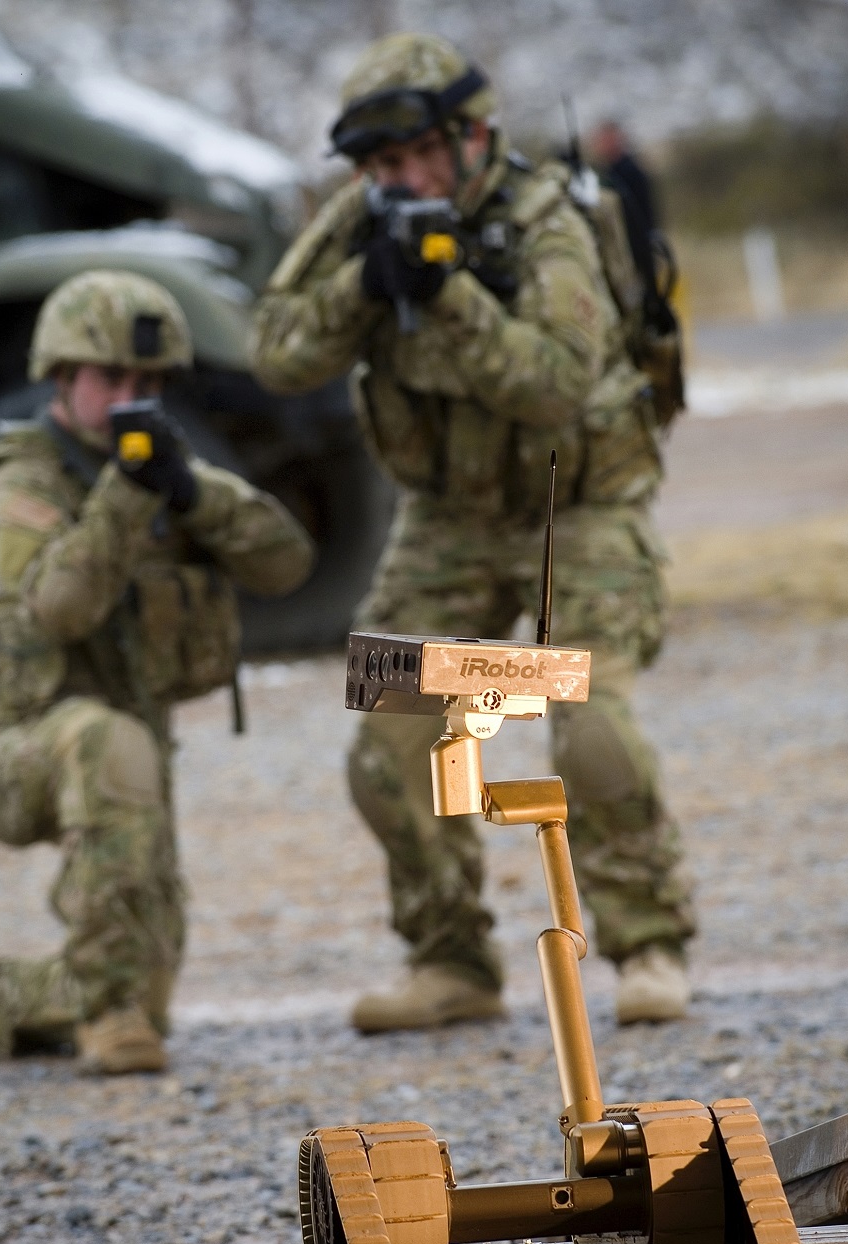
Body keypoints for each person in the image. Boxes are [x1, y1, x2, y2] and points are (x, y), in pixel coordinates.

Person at [252, 33, 694, 1033]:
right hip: (447, 516)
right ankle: (451, 959)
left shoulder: (547, 222)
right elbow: (275, 351)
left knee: (589, 721)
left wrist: (443, 291)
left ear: (472, 137)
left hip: (569, 506)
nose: (395, 181)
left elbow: (550, 384)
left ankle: (649, 938)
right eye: (375, 167)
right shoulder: (364, 224)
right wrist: (367, 284)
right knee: (389, 729)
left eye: (410, 159)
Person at [0, 270, 314, 1074]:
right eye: (113, 379)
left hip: (122, 759)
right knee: (110, 744)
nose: (133, 398)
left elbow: (287, 563)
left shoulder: (161, 470)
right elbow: (57, 608)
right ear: (62, 377)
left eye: (151, 382)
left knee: (145, 989)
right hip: (19, 748)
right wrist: (130, 498)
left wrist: (193, 495)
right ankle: (105, 1010)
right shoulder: (17, 482)